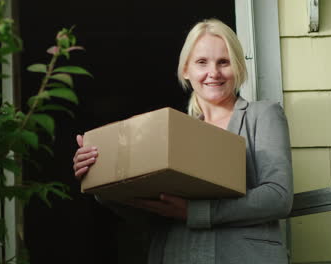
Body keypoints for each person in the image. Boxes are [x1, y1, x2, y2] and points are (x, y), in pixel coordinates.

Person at [73, 18, 293, 264]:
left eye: (224, 62)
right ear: (186, 69)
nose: (214, 73)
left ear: (239, 67)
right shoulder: (169, 134)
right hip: (177, 254)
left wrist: (196, 212)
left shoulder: (262, 115)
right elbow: (146, 213)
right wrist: (100, 176)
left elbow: (278, 197)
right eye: (202, 62)